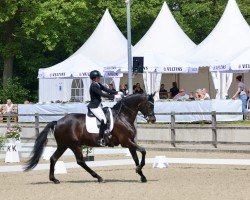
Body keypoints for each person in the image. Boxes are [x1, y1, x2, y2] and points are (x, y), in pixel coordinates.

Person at [88, 70, 121, 146]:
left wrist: (117, 92)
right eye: (98, 77)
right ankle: (100, 139)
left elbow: (107, 90)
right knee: (104, 120)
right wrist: (114, 97)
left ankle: (107, 132)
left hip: (99, 105)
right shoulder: (93, 86)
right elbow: (102, 94)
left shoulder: (98, 84)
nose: (99, 78)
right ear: (94, 78)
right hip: (94, 106)